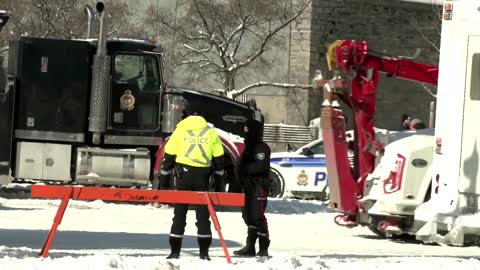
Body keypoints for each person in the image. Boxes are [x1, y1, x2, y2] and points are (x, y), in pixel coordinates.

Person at [158, 107, 225, 261]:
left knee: (179, 215)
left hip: (183, 176)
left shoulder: (179, 131)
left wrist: (163, 185)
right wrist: (220, 187)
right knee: (203, 216)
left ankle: (175, 252)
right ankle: (204, 253)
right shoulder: (210, 133)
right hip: (203, 177)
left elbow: (167, 160)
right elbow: (219, 162)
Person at [233, 119, 271, 257]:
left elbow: (260, 166)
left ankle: (263, 247)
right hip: (247, 186)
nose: (246, 134)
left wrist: (244, 169)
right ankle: (250, 246)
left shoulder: (262, 148)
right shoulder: (247, 148)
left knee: (257, 216)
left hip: (258, 186)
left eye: (248, 130)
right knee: (248, 216)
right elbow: (239, 167)